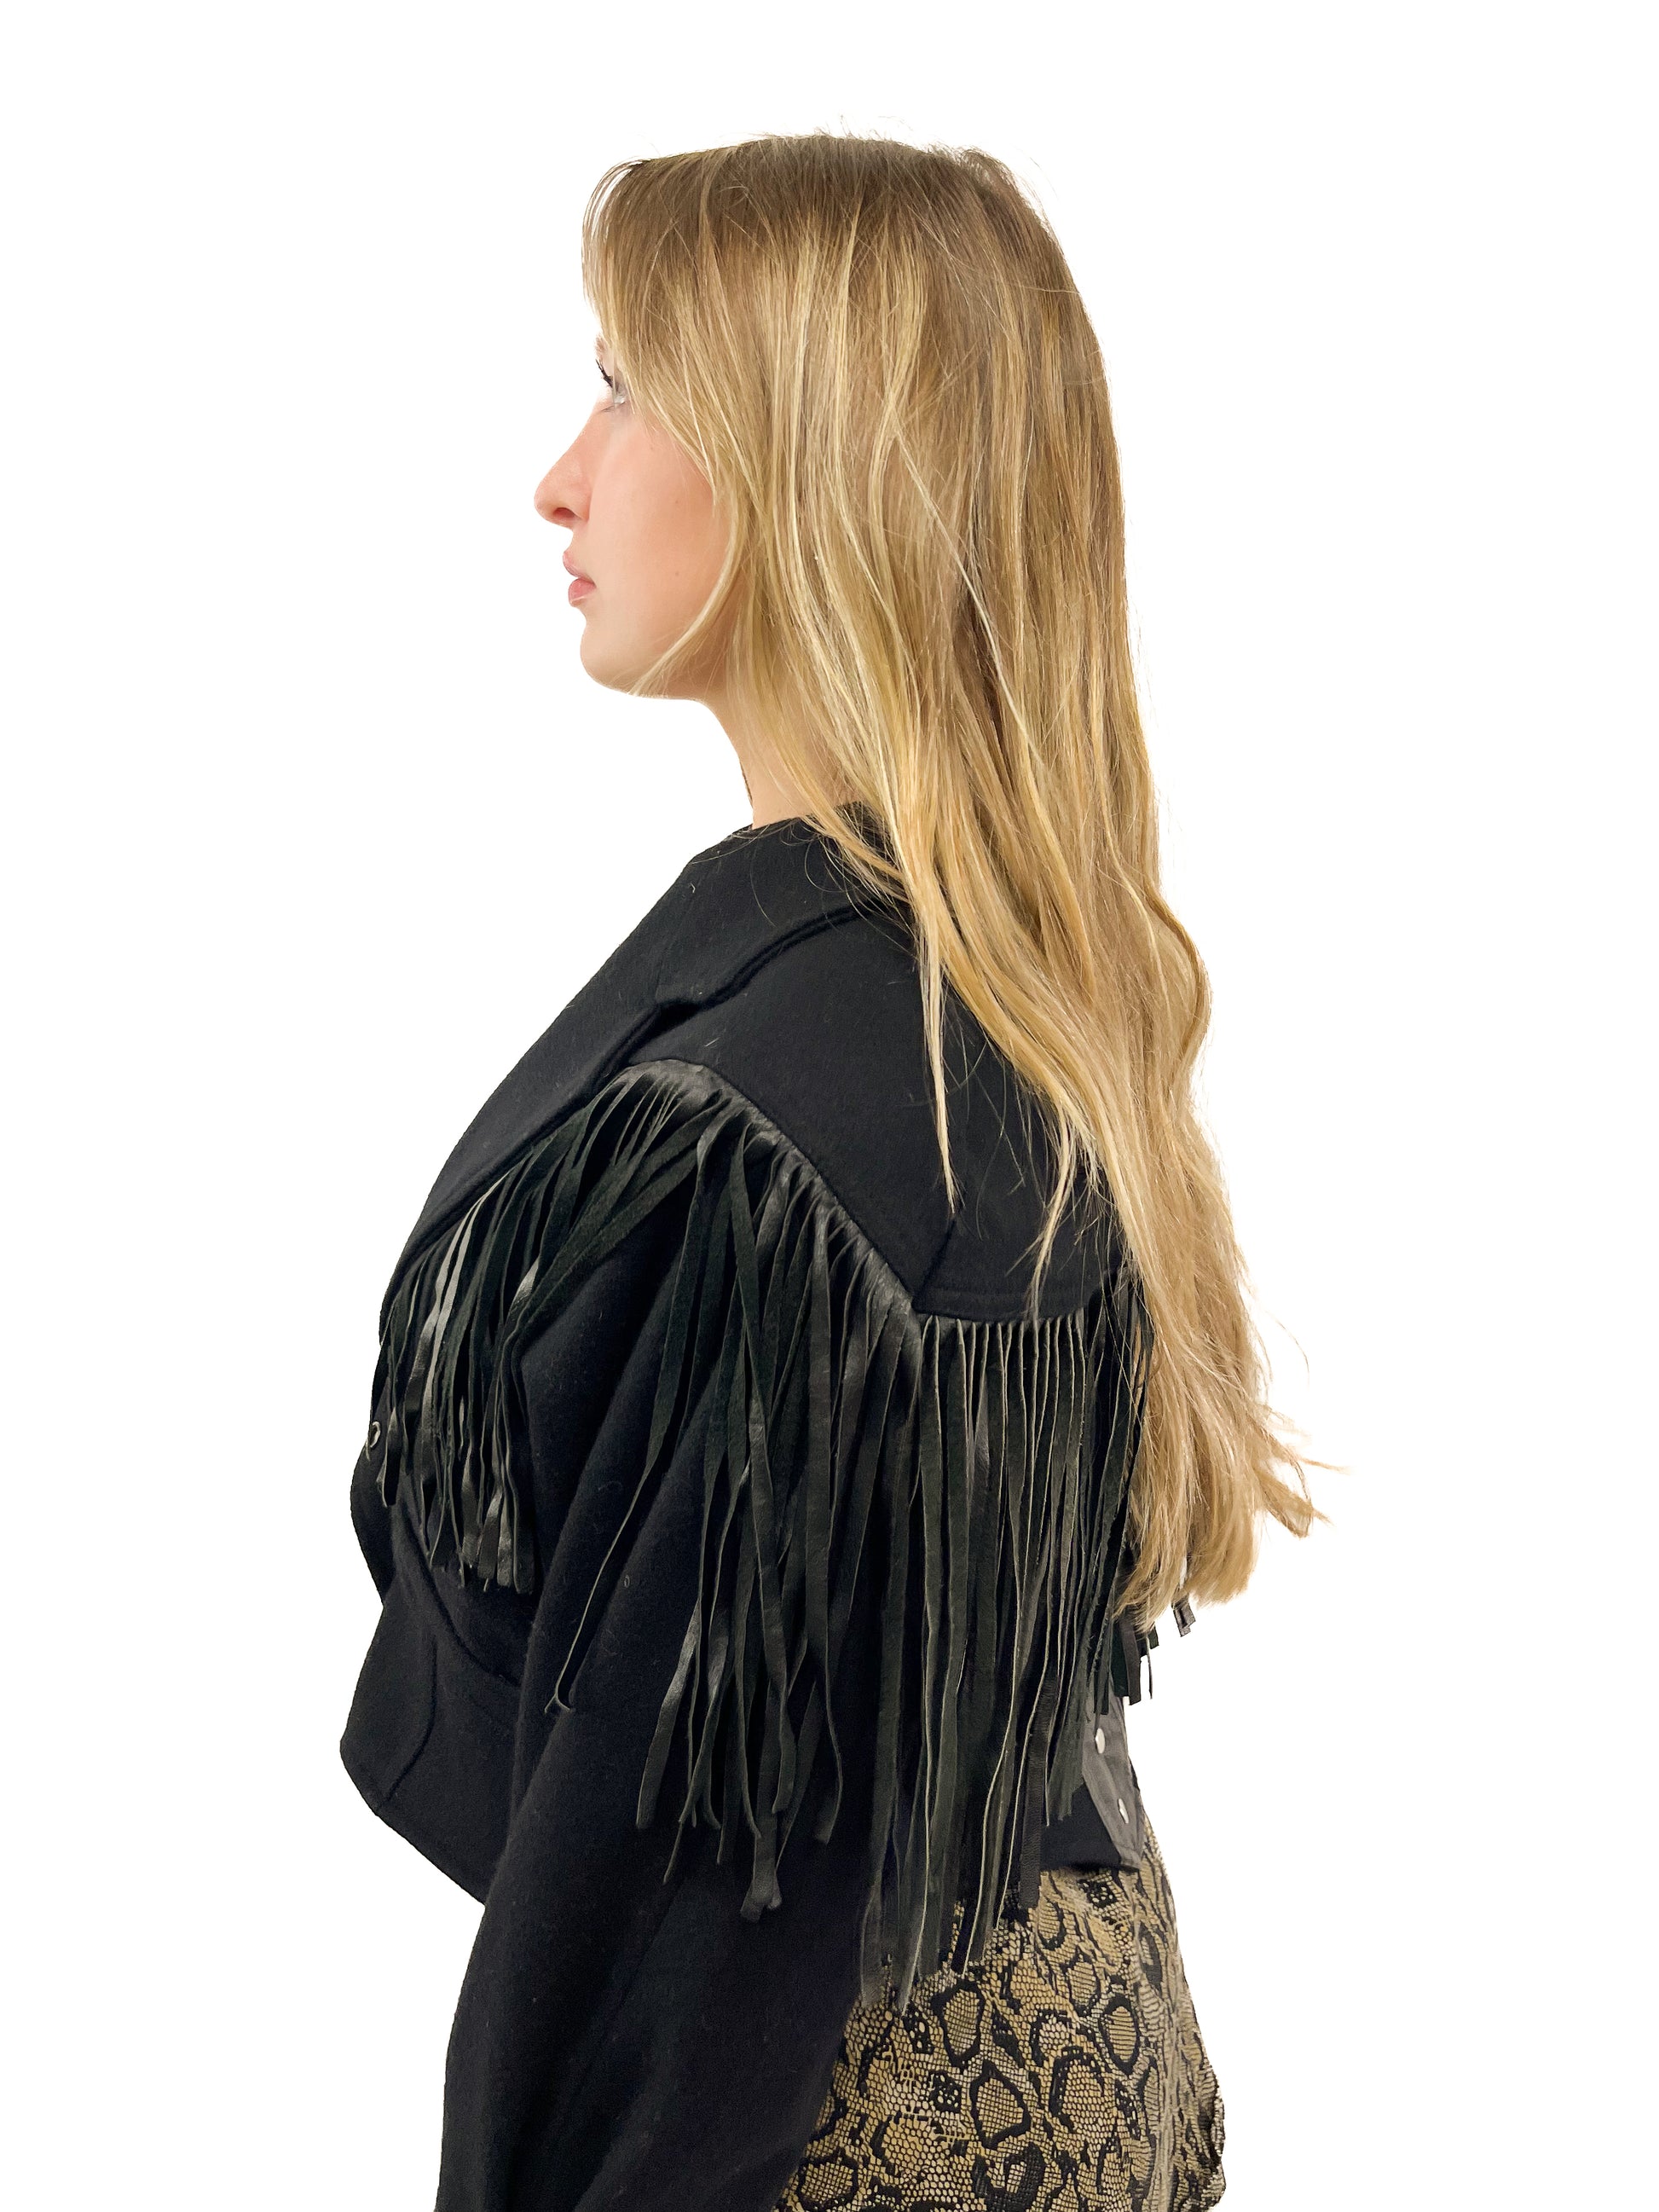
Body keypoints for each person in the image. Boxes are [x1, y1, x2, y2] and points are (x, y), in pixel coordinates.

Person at [340, 130, 1318, 2212]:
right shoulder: (987, 1025)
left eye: (625, 386)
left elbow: (684, 1904)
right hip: (1079, 2084)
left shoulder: (799, 1119)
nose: (559, 478)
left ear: (803, 465)